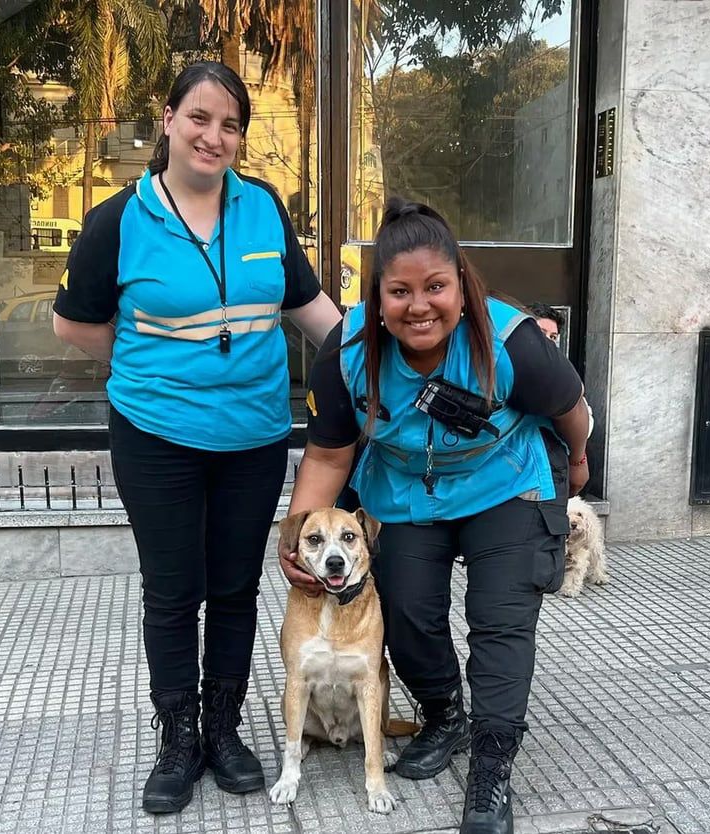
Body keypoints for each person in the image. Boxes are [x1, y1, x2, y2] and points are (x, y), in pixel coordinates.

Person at [52, 61, 341, 814]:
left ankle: (223, 730)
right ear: (169, 120)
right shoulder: (120, 219)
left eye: (230, 125)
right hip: (156, 434)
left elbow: (311, 309)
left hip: (253, 436)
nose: (214, 136)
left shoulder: (263, 208)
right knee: (174, 589)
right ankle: (177, 737)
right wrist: (147, 359)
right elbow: (71, 324)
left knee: (235, 586)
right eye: (200, 118)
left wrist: (375, 364)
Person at [279, 198, 590, 834]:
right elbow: (329, 453)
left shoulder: (512, 341)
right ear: (378, 298)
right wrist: (297, 538)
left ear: (462, 286)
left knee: (500, 620)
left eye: (436, 287)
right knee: (407, 611)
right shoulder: (348, 350)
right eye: (400, 292)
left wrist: (578, 462)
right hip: (403, 490)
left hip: (506, 484)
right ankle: (445, 715)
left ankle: (492, 764)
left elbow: (572, 410)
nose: (419, 306)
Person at [527, 302, 594, 438]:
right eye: (541, 333)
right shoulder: (507, 363)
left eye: (553, 337)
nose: (548, 341)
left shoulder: (560, 372)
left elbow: (586, 425)